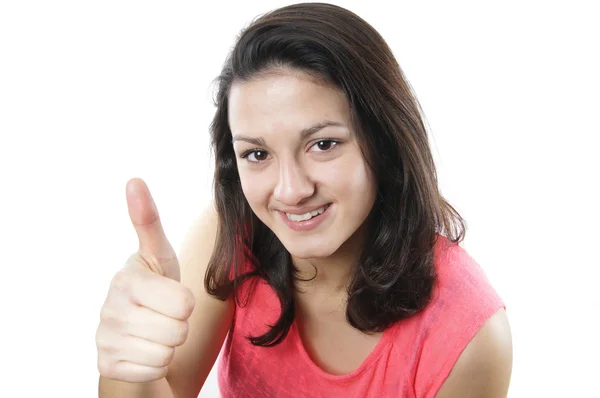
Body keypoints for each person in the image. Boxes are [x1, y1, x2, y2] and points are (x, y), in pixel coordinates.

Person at [96, 3, 513, 397]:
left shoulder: (469, 336)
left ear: (383, 141)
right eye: (257, 154)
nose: (291, 190)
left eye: (324, 144)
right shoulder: (233, 233)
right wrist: (127, 368)